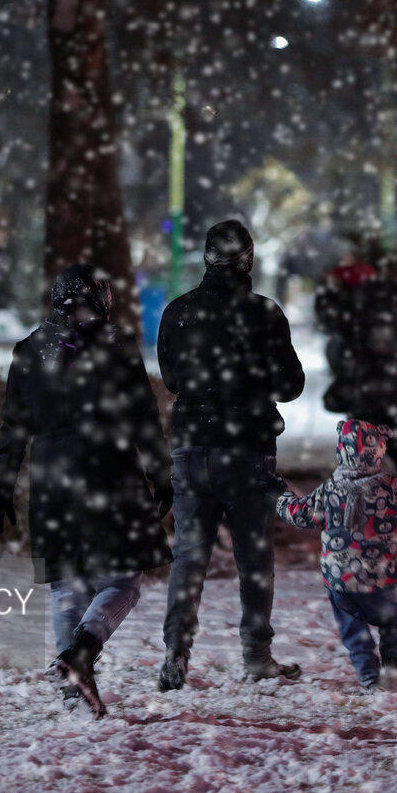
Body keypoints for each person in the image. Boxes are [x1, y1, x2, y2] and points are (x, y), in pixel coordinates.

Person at [0, 264, 173, 718]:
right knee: (123, 580)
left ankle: (74, 694)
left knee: (66, 586)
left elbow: (14, 425)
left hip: (53, 479)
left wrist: (1, 482)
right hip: (109, 470)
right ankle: (82, 652)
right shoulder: (116, 344)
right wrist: (160, 472)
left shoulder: (30, 349)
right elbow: (142, 417)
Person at [156, 219, 305, 691]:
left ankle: (176, 653)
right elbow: (292, 385)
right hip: (248, 449)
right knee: (254, 559)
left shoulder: (178, 312)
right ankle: (257, 655)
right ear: (248, 260)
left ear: (205, 258)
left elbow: (173, 379)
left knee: (188, 558)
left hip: (191, 447)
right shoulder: (264, 313)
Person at [276, 419, 397, 691]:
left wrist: (280, 496)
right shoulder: (393, 489)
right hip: (377, 575)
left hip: (340, 577)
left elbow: (299, 513)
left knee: (353, 629)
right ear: (378, 452)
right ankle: (393, 666)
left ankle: (370, 679)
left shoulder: (330, 490)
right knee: (392, 619)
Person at [315, 249, 397, 481]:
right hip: (388, 388)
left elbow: (331, 322)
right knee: (391, 445)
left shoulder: (359, 305)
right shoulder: (382, 301)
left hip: (369, 388)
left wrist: (331, 291)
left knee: (365, 447)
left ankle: (360, 502)